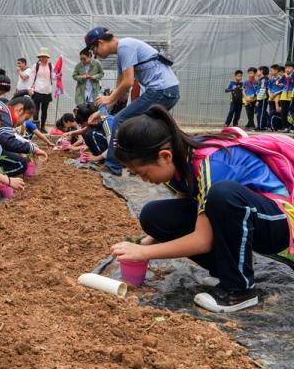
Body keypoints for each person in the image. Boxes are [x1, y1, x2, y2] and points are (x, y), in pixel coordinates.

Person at [110, 105, 293, 313]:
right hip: (244, 217)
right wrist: (147, 240)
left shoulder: (211, 163)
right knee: (155, 217)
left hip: (276, 221)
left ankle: (239, 290)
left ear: (164, 156)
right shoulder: (180, 163)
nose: (143, 179)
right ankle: (224, 271)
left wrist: (144, 253)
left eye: (142, 172)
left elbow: (202, 240)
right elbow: (185, 207)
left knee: (223, 194)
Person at [83, 27, 180, 176]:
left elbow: (128, 82)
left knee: (120, 120)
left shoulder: (125, 46)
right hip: (167, 91)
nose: (94, 54)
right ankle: (142, 163)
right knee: (143, 128)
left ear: (100, 42)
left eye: (93, 49)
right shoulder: (122, 54)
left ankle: (112, 166)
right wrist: (101, 112)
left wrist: (108, 97)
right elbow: (120, 91)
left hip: (161, 90)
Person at [0, 94, 48, 176]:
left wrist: (31, 147)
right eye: (25, 118)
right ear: (20, 109)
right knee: (21, 164)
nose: (23, 123)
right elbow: (7, 141)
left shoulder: (2, 109)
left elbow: (9, 137)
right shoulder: (4, 115)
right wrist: (32, 149)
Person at [29, 47, 55, 133]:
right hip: (37, 90)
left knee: (45, 110)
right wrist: (30, 89)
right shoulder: (35, 66)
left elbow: (53, 76)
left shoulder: (51, 66)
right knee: (36, 109)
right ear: (40, 57)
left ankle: (43, 127)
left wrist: (58, 75)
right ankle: (36, 128)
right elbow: (32, 78)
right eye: (42, 56)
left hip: (47, 91)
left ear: (47, 57)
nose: (44, 58)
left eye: (45, 56)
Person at [267, 64, 283, 131]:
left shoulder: (281, 79)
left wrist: (275, 94)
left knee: (277, 113)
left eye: (271, 71)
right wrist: (270, 94)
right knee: (271, 113)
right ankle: (271, 127)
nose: (270, 72)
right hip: (271, 99)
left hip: (278, 99)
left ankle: (276, 127)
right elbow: (268, 88)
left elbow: (283, 89)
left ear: (276, 71)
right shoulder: (271, 79)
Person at [255, 66, 270, 131]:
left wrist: (258, 100)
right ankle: (259, 125)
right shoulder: (260, 79)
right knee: (259, 113)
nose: (256, 72)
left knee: (261, 113)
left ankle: (261, 126)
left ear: (261, 71)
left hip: (263, 99)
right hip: (260, 98)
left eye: (258, 71)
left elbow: (263, 90)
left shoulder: (264, 80)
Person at [281, 61, 294, 133]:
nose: (287, 69)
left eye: (289, 68)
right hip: (284, 95)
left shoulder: (293, 74)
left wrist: (289, 78)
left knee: (291, 111)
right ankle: (285, 127)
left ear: (293, 68)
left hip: (291, 95)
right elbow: (279, 82)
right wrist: (279, 83)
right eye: (286, 68)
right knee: (284, 112)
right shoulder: (284, 75)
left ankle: (291, 126)